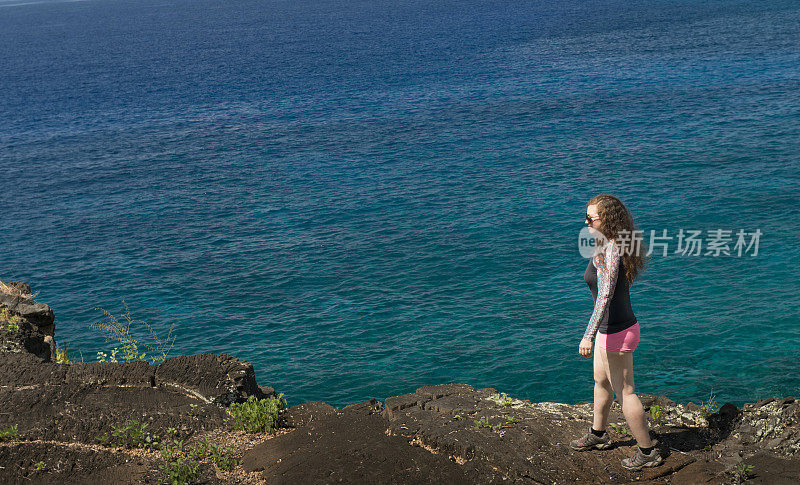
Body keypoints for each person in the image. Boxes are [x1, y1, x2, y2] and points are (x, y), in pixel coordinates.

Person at [568, 194, 663, 471]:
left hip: (616, 331)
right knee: (601, 381)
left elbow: (605, 296)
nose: (586, 222)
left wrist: (588, 334)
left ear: (606, 219)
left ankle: (647, 452)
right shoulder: (610, 244)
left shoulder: (611, 249)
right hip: (611, 329)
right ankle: (599, 434)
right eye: (585, 217)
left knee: (626, 392)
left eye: (591, 218)